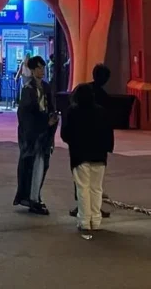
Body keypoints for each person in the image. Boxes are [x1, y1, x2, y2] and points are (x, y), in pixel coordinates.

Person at [62, 82, 114, 236]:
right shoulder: (101, 112)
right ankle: (96, 220)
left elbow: (66, 134)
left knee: (82, 188)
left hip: (80, 155)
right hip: (99, 155)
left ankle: (84, 221)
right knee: (96, 189)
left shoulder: (72, 111)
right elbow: (109, 134)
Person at [14, 56, 58, 214]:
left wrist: (52, 119)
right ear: (32, 70)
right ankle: (32, 198)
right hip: (32, 136)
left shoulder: (45, 87)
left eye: (43, 68)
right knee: (32, 166)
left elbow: (51, 107)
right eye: (38, 68)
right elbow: (26, 114)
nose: (42, 71)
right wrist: (45, 121)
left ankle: (35, 196)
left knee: (41, 165)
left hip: (44, 134)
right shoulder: (28, 89)